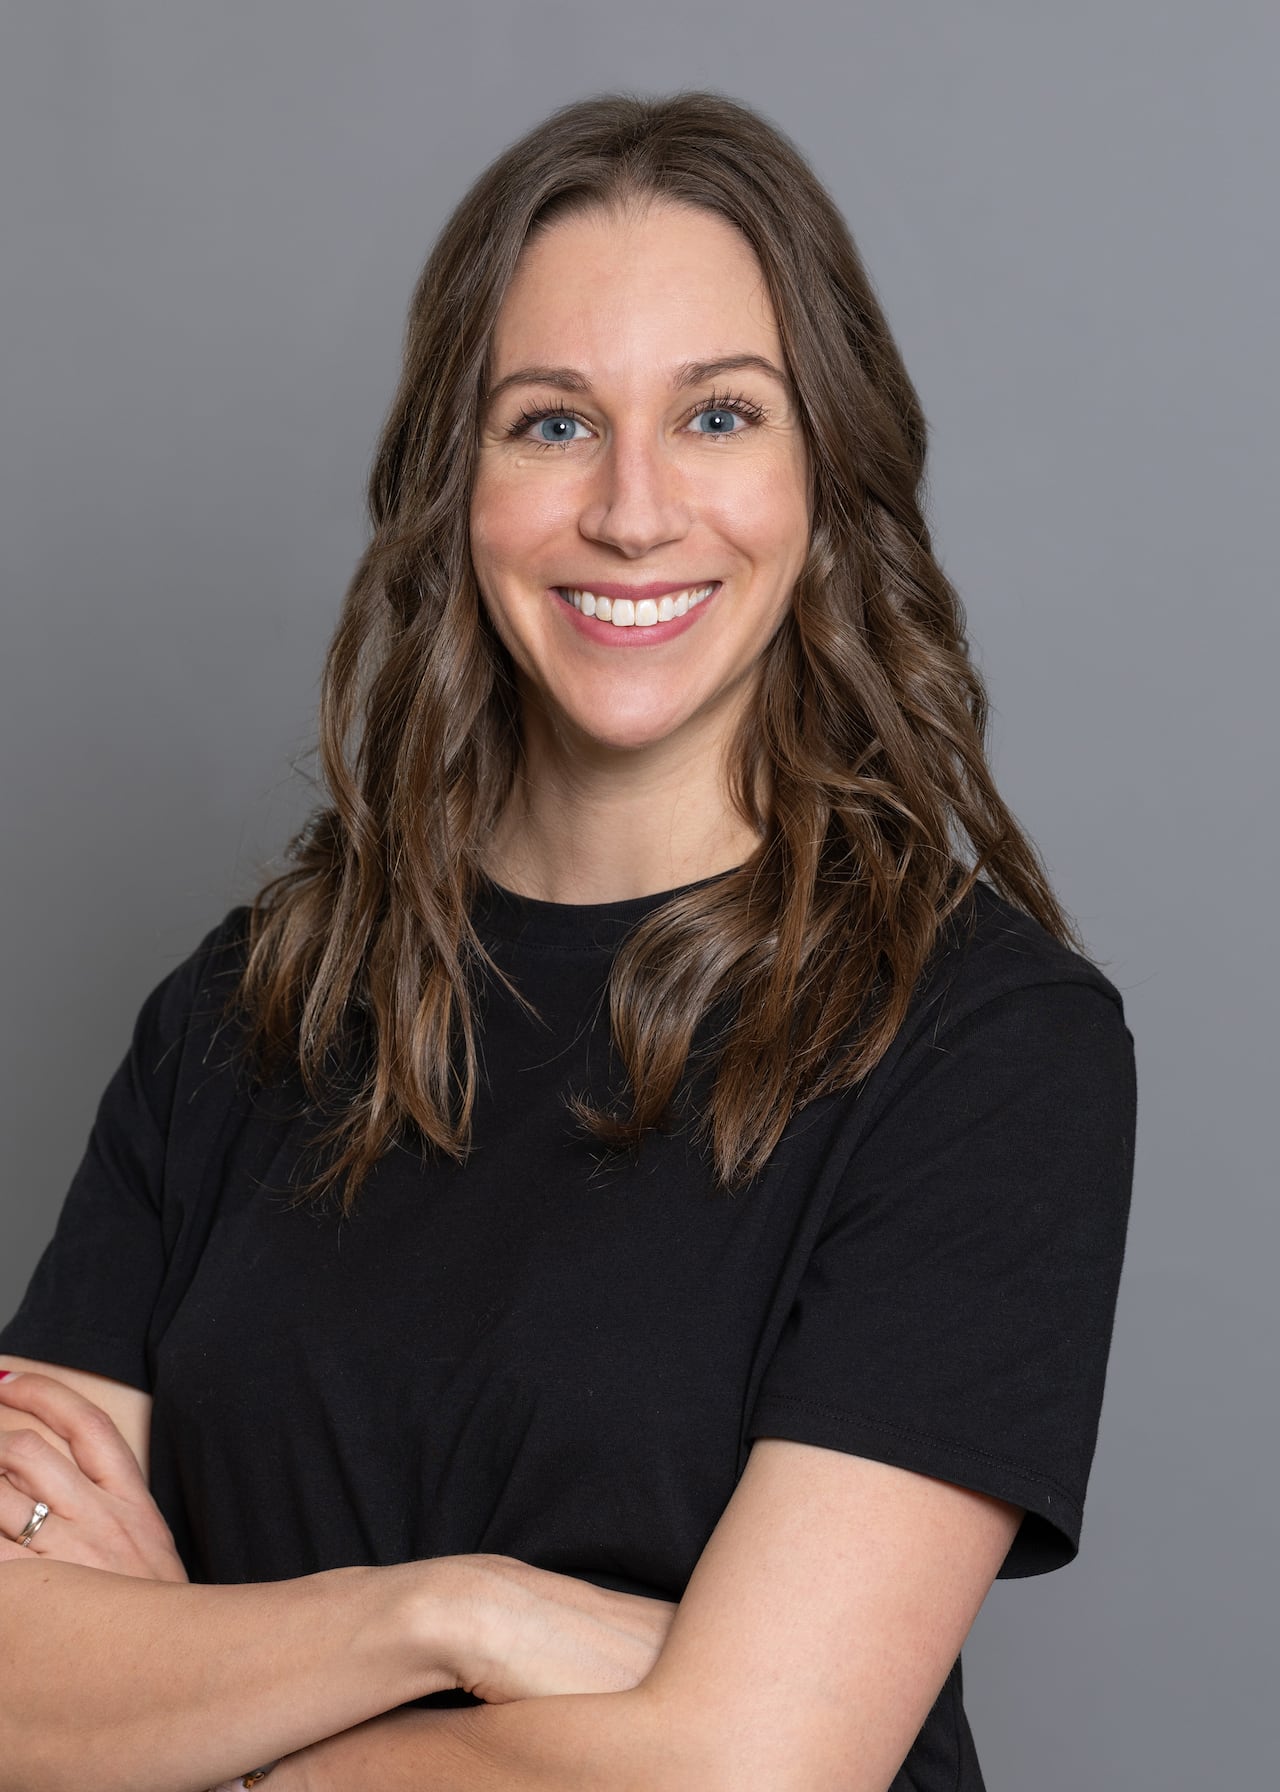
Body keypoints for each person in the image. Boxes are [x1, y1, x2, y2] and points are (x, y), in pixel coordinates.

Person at [0, 89, 1137, 1792]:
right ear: (451, 483)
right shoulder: (246, 1012)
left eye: (720, 416)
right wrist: (456, 1617)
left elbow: (752, 1768)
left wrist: (201, 1737)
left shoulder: (983, 1044)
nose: (632, 509)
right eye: (550, 424)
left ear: (828, 473)